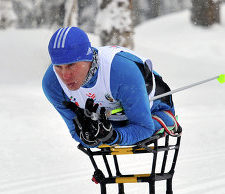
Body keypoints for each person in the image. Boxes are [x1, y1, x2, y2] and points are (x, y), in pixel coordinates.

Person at [42, 27, 180, 148]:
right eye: (58, 67)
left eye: (71, 65)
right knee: (98, 131)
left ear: (88, 58)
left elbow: (144, 128)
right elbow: (75, 132)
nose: (65, 76)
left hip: (153, 106)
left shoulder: (120, 72)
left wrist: (114, 137)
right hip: (112, 118)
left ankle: (166, 120)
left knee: (156, 123)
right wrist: (89, 138)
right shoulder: (52, 84)